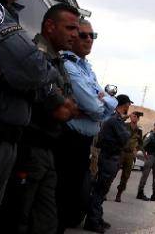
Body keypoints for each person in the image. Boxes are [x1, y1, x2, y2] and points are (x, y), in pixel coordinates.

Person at [0, 0, 61, 233]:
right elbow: (32, 69)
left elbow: (39, 82)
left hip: (1, 143)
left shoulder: (6, 12)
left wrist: (23, 71)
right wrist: (31, 71)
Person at [0, 3, 80, 234]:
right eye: (70, 28)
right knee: (16, 216)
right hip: (29, 148)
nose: (75, 34)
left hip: (46, 150)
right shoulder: (36, 56)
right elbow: (60, 109)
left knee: (46, 221)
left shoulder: (58, 62)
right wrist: (62, 104)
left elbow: (72, 106)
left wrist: (64, 104)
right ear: (50, 26)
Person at [57, 18, 117, 231]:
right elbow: (96, 107)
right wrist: (100, 105)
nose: (89, 39)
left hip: (83, 144)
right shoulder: (69, 66)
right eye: (84, 35)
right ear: (72, 37)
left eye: (93, 36)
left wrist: (100, 104)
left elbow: (111, 104)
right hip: (68, 141)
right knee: (62, 200)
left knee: (73, 198)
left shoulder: (87, 69)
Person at [84, 94, 132, 233]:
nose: (129, 106)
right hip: (109, 157)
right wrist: (126, 133)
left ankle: (97, 217)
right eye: (128, 104)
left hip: (111, 157)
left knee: (102, 190)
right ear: (125, 104)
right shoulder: (115, 120)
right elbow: (125, 138)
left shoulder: (116, 119)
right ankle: (92, 221)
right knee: (100, 190)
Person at [115, 110, 143, 202]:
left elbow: (141, 143)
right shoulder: (124, 125)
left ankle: (119, 194)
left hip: (130, 154)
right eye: (133, 116)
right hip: (121, 152)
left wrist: (136, 149)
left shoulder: (139, 130)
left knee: (126, 175)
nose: (135, 118)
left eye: (136, 117)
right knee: (113, 171)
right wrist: (128, 116)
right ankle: (104, 191)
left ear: (138, 119)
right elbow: (118, 121)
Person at [137, 120, 155, 202]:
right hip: (150, 157)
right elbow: (142, 145)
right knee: (145, 175)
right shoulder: (150, 135)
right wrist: (145, 155)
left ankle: (154, 195)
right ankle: (140, 193)